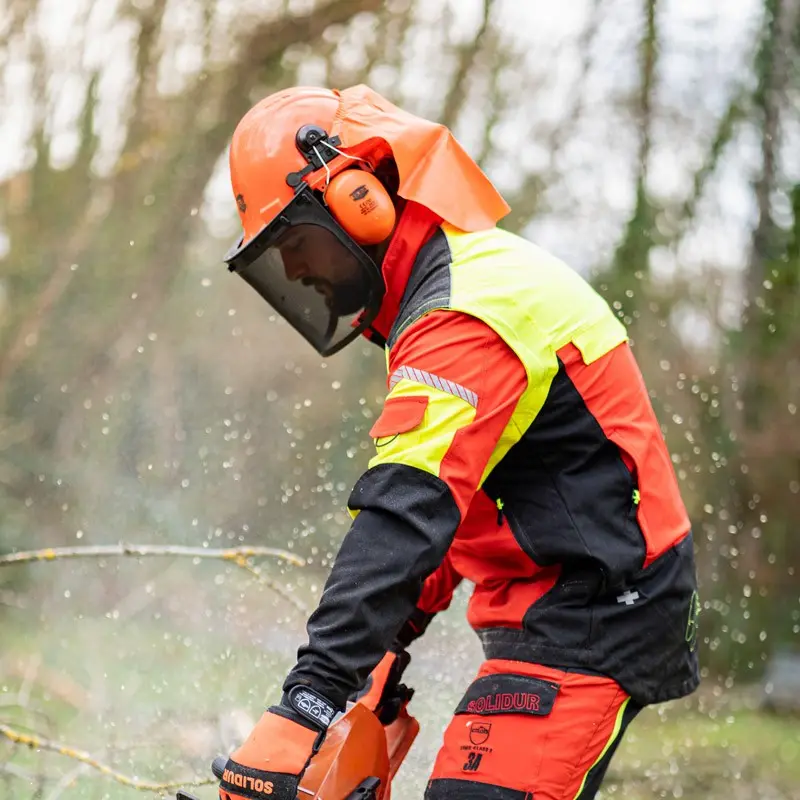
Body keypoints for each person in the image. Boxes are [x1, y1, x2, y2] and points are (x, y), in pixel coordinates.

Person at [216, 84, 700, 800]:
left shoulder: (465, 312)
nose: (293, 271)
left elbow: (405, 511)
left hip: (600, 603)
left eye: (295, 241)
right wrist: (385, 642)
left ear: (360, 197)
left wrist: (308, 701)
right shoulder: (433, 301)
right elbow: (448, 503)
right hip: (540, 597)